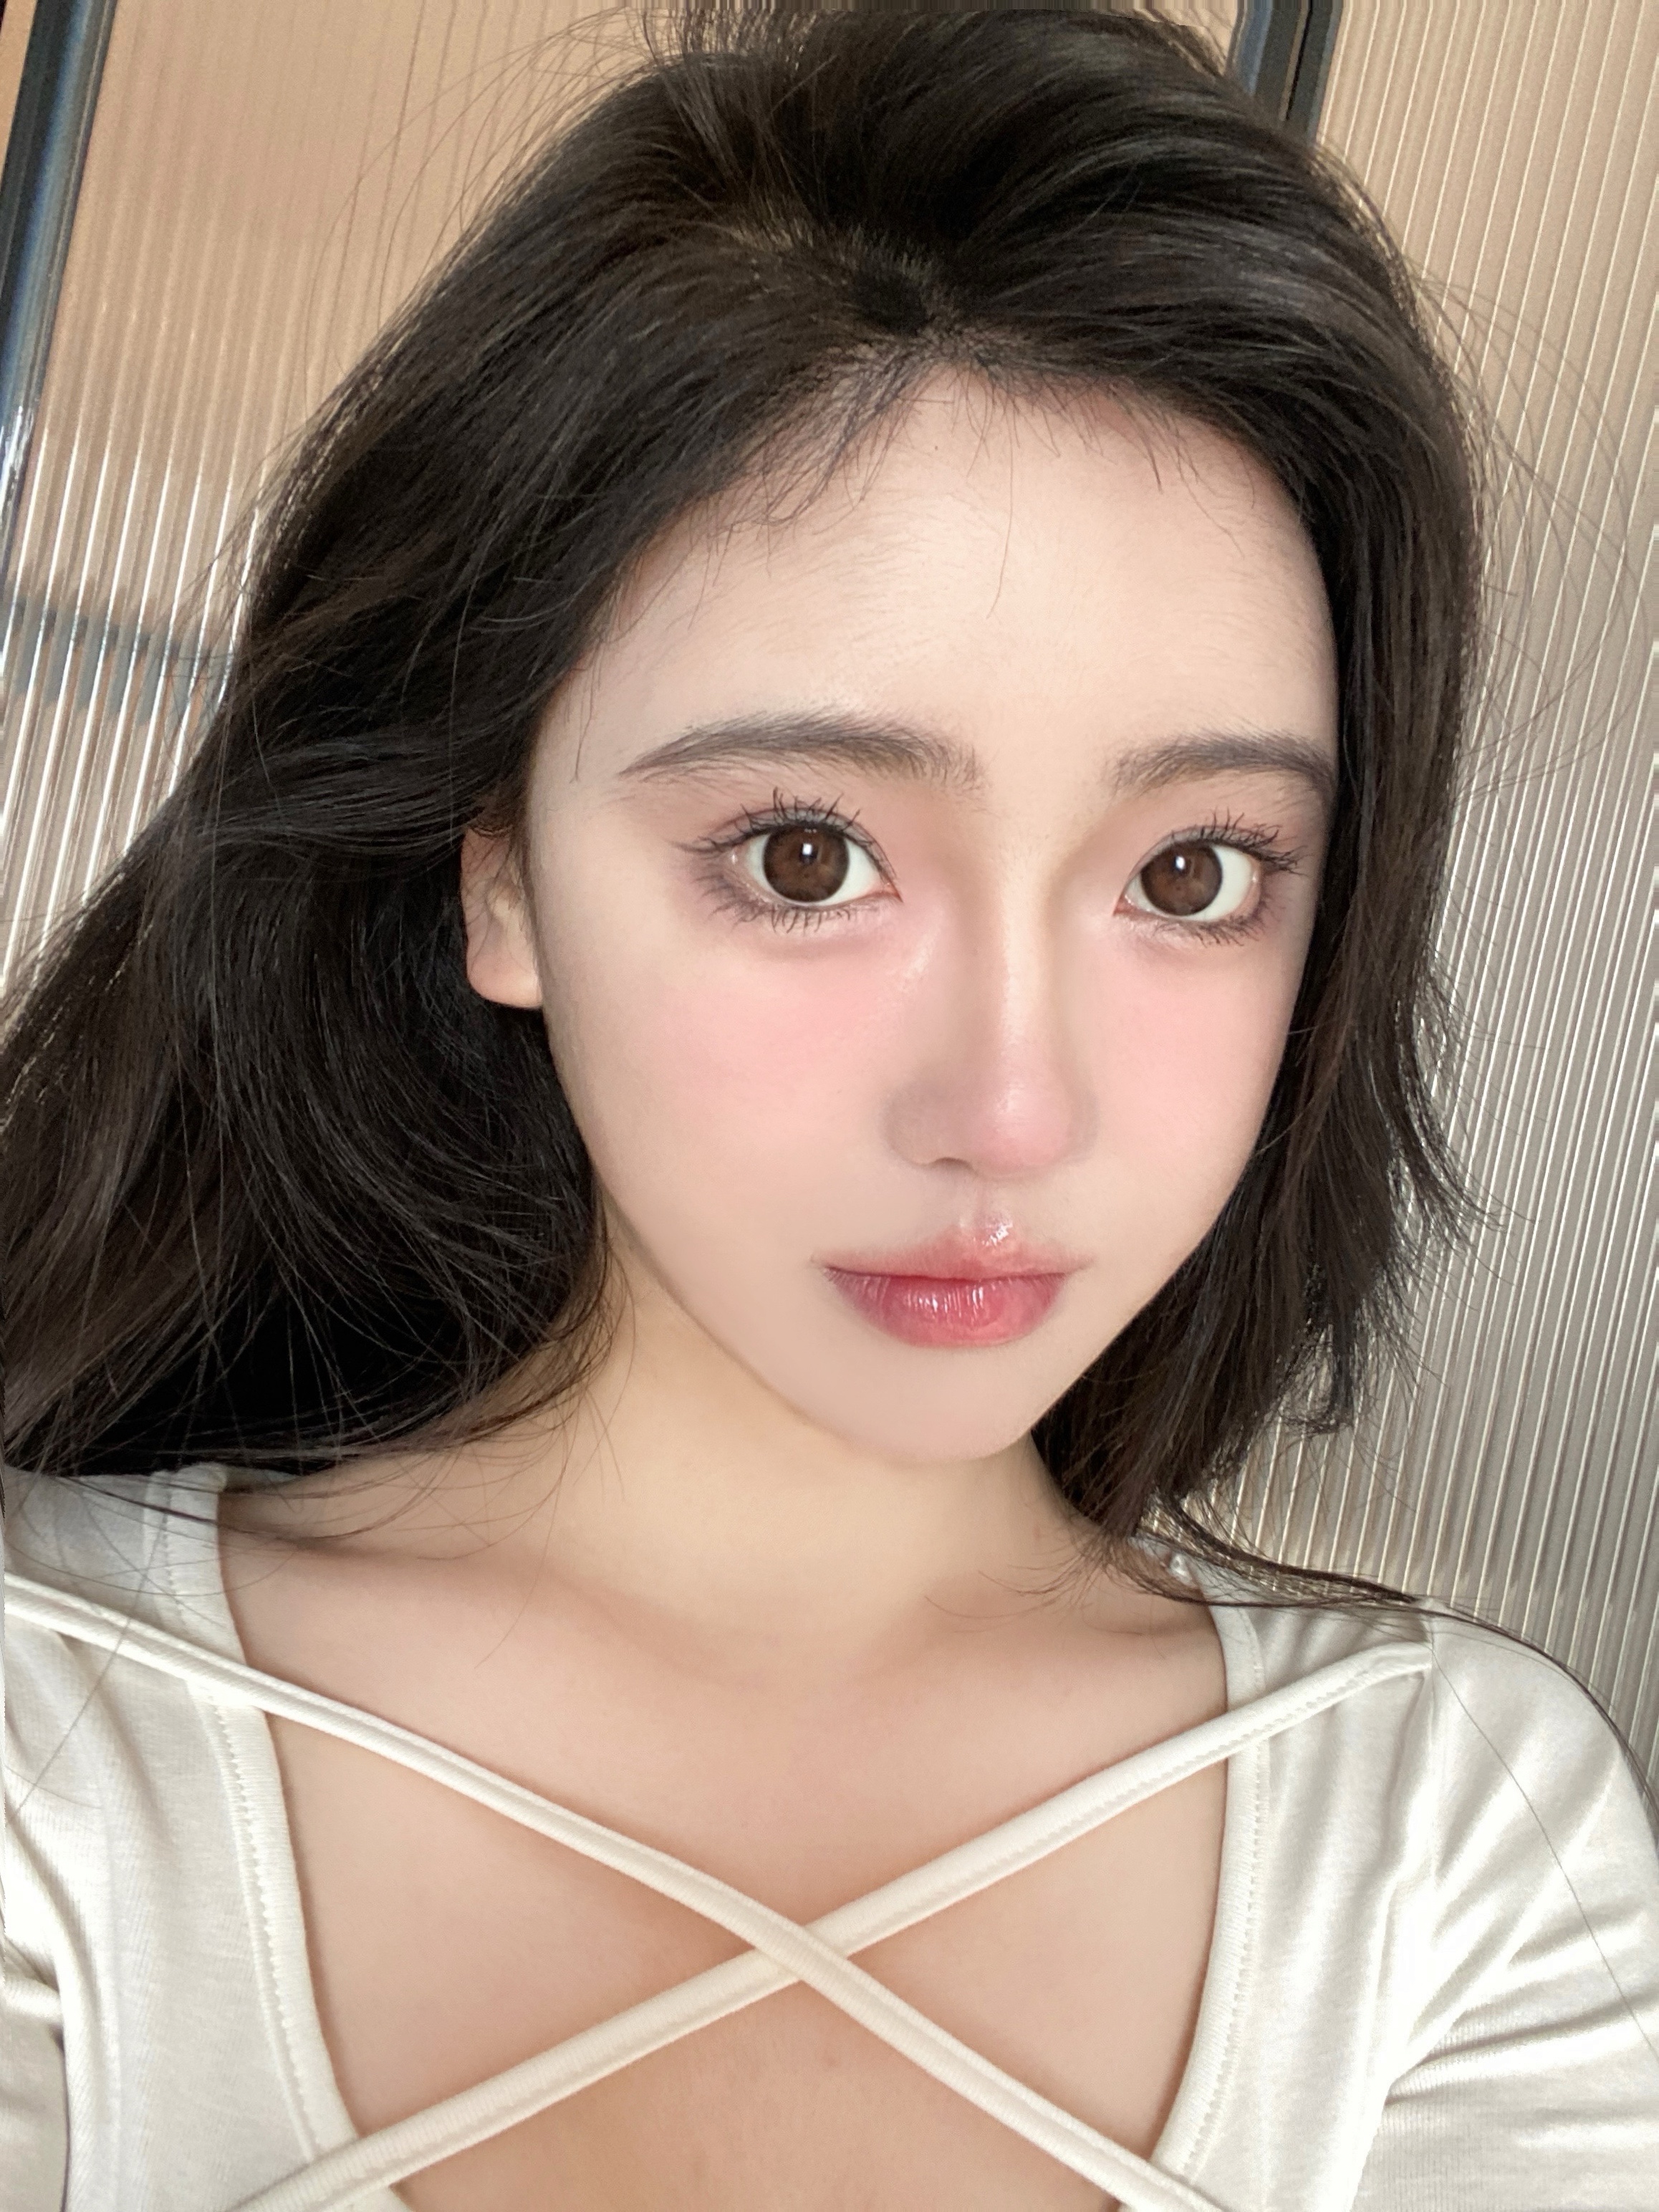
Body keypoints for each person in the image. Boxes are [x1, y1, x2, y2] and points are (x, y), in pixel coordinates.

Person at [1, 6, 1655, 2208]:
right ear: (499, 871)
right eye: (805, 857)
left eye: (1189, 876)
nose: (1010, 1108)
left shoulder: (1441, 1845)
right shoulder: (49, 1732)